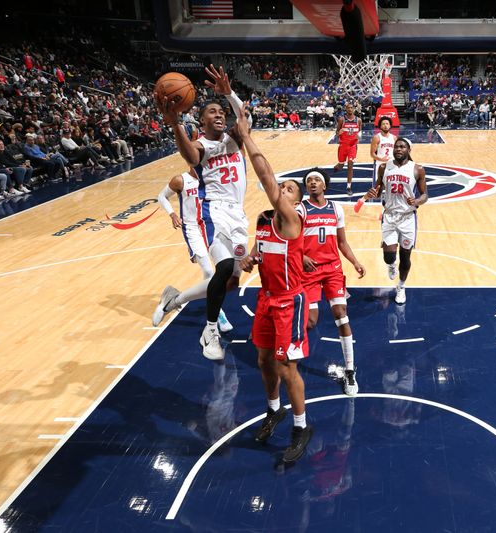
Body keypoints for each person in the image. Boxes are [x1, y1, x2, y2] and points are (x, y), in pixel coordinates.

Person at [236, 103, 313, 464]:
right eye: (283, 186)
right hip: (266, 298)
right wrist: (250, 258)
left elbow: (266, 178)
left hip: (289, 301)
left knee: (287, 367)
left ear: (296, 201)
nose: (283, 189)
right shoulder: (265, 220)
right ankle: (274, 409)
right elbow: (258, 250)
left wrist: (247, 137)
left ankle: (301, 427)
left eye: (289, 188)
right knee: (264, 359)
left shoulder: (293, 218)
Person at [157, 64, 248, 361]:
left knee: (230, 283)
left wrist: (229, 93)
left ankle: (176, 298)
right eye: (212, 111)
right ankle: (210, 331)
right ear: (201, 120)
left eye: (221, 111)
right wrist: (175, 125)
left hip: (238, 215)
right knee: (221, 269)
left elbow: (243, 117)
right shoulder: (200, 146)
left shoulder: (235, 139)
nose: (219, 114)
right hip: (214, 213)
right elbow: (188, 154)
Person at [300, 168, 366, 396]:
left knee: (341, 315)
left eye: (317, 179)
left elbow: (342, 242)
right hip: (308, 271)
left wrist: (355, 262)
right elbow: (290, 239)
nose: (313, 183)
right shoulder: (300, 209)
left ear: (325, 185)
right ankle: (291, 352)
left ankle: (349, 370)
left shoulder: (336, 208)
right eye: (309, 181)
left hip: (332, 270)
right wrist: (301, 256)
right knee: (310, 322)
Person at [151, 169, 233, 335]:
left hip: (210, 226)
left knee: (221, 272)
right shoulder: (180, 180)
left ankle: (171, 298)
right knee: (209, 271)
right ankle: (218, 315)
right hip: (192, 229)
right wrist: (172, 214)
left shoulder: (212, 178)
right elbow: (162, 196)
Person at [365, 138, 428, 304]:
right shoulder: (385, 167)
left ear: (409, 150)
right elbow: (378, 189)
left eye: (402, 147)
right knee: (389, 257)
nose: (398, 149)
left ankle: (401, 286)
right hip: (389, 216)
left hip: (407, 218)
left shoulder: (417, 169)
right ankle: (391, 265)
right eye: (396, 146)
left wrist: (417, 201)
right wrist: (374, 193)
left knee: (406, 256)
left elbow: (424, 195)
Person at [354, 116, 395, 213]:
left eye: (387, 124)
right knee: (376, 191)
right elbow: (372, 154)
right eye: (383, 124)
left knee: (391, 189)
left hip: (391, 166)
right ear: (380, 126)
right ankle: (361, 200)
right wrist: (381, 159)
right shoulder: (377, 137)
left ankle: (383, 212)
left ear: (390, 125)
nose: (385, 125)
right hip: (380, 166)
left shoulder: (394, 138)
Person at [332, 102, 361, 196]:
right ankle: (336, 167)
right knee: (340, 166)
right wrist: (338, 133)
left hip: (352, 146)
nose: (350, 109)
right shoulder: (341, 119)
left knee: (350, 166)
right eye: (348, 108)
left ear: (354, 109)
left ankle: (348, 187)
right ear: (346, 109)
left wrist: (358, 138)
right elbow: (337, 133)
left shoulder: (358, 120)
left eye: (351, 108)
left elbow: (359, 132)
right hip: (343, 146)